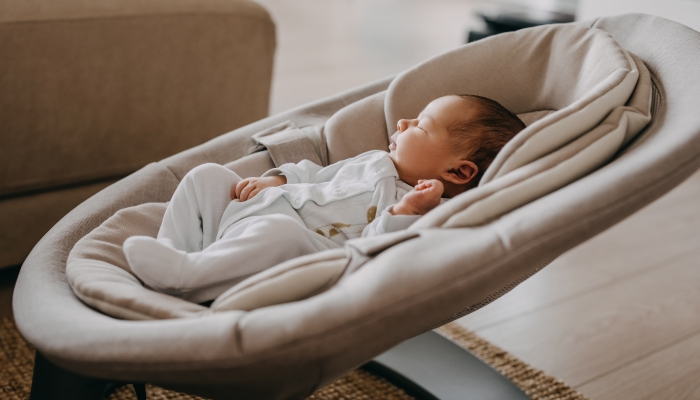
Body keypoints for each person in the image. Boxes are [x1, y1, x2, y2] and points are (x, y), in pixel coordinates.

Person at [123, 95, 525, 302]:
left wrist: (406, 212)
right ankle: (173, 252)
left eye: (421, 126)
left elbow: (378, 253)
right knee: (206, 176)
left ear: (457, 172)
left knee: (278, 232)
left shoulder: (422, 209)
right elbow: (315, 175)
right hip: (250, 215)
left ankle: (190, 280)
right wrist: (277, 179)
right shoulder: (373, 161)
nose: (402, 122)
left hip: (301, 248)